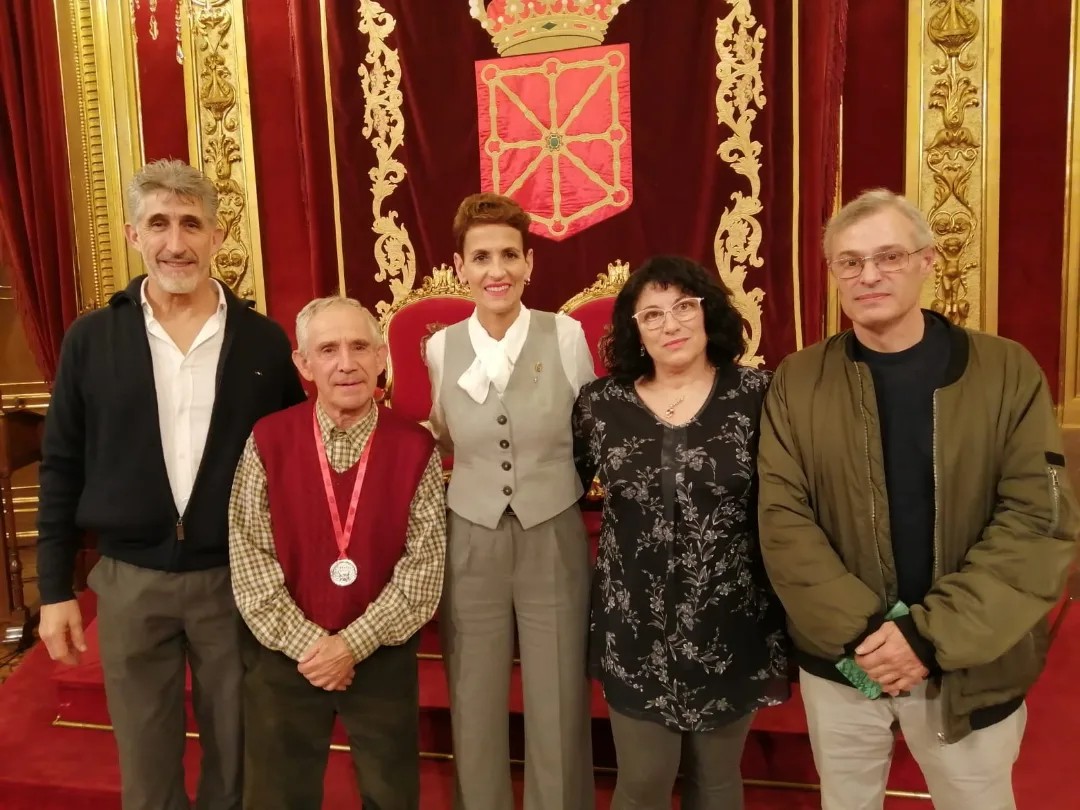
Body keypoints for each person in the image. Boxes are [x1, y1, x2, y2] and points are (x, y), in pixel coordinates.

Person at [757, 188, 1080, 810]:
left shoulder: (1005, 371)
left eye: (888, 256)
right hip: (845, 663)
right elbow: (782, 519)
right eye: (849, 262)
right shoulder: (798, 380)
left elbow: (1038, 520)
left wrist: (928, 639)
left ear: (928, 260)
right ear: (832, 274)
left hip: (967, 661)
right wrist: (866, 637)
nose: (869, 275)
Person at [35, 159, 306, 810]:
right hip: (129, 583)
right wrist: (53, 591)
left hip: (234, 585)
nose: (176, 242)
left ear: (218, 235)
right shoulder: (91, 340)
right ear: (134, 234)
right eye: (159, 223)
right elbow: (61, 465)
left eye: (191, 223)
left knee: (240, 767)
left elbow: (291, 475)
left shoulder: (266, 344)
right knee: (148, 778)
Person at [572, 256, 788, 810]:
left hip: (730, 620)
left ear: (707, 312)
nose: (671, 324)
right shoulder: (600, 404)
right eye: (652, 315)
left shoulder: (760, 394)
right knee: (643, 781)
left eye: (683, 307)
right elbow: (561, 493)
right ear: (635, 331)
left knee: (716, 782)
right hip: (634, 627)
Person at [229, 296, 446, 810]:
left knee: (390, 795)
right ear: (304, 365)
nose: (345, 363)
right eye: (327, 350)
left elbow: (424, 567)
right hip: (285, 657)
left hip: (380, 655)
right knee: (277, 796)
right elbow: (248, 554)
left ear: (380, 357)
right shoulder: (267, 440)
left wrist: (350, 645)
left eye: (359, 347)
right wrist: (310, 646)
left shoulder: (416, 446)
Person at [425, 192, 596, 810]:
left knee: (556, 695)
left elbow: (590, 428)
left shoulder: (568, 335)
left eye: (508, 255)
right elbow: (443, 432)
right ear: (460, 267)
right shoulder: (440, 347)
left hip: (552, 529)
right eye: (481, 257)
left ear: (529, 264)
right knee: (474, 691)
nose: (495, 270)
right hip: (470, 535)